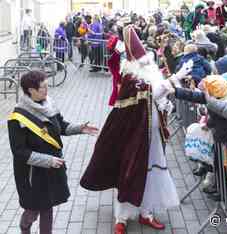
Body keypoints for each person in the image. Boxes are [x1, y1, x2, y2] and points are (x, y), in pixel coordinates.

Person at [80, 26, 192, 234]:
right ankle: (121, 218)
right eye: (146, 61)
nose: (149, 63)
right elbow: (151, 93)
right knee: (130, 171)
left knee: (151, 172)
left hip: (153, 133)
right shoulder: (132, 77)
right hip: (133, 134)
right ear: (138, 62)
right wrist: (174, 79)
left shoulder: (149, 73)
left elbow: (157, 96)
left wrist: (167, 95)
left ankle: (146, 213)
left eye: (149, 60)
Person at [8, 71, 98, 234]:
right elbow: (19, 152)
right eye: (43, 87)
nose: (46, 90)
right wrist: (47, 160)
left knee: (47, 207)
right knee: (33, 210)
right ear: (30, 90)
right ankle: (25, 226)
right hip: (31, 173)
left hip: (52, 167)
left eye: (47, 86)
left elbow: (61, 126)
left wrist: (79, 128)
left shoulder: (49, 103)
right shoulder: (17, 118)